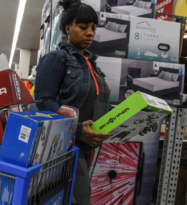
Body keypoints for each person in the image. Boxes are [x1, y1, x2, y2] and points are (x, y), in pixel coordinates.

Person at [34, 0, 112, 204]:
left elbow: (98, 106)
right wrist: (77, 130)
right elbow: (43, 103)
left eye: (93, 28)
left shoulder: (93, 66)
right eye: (83, 27)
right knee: (79, 199)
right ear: (68, 28)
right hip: (64, 148)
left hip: (88, 148)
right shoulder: (56, 59)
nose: (90, 33)